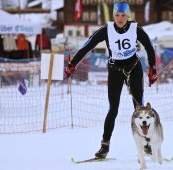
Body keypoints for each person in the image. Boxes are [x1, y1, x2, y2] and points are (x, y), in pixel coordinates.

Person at [64, 1, 157, 159]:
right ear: (113, 15)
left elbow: (149, 46)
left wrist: (152, 68)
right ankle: (104, 146)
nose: (120, 18)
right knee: (113, 109)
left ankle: (146, 143)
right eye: (116, 15)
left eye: (123, 15)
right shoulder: (106, 30)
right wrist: (73, 64)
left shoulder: (136, 29)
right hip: (115, 70)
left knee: (139, 109)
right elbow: (87, 46)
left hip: (134, 68)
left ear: (128, 16)